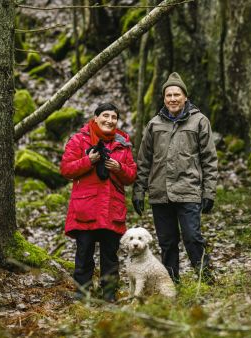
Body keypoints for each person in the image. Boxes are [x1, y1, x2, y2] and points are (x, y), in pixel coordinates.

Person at [132, 72, 218, 284]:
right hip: (160, 194)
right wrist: (138, 191)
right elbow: (144, 160)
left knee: (192, 237)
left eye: (177, 94)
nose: (172, 98)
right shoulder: (154, 124)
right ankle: (171, 283)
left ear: (185, 97)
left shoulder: (199, 121)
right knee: (167, 242)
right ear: (163, 98)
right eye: (168, 95)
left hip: (188, 190)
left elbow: (209, 159)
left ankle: (205, 279)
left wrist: (209, 191)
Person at [60, 102, 137, 301]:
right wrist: (89, 161)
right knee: (84, 253)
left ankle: (109, 295)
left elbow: (131, 176)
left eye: (114, 117)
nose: (110, 120)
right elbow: (66, 169)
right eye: (105, 115)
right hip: (86, 207)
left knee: (110, 256)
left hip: (112, 208)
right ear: (95, 118)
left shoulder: (123, 143)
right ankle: (82, 294)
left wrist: (119, 167)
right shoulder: (79, 140)